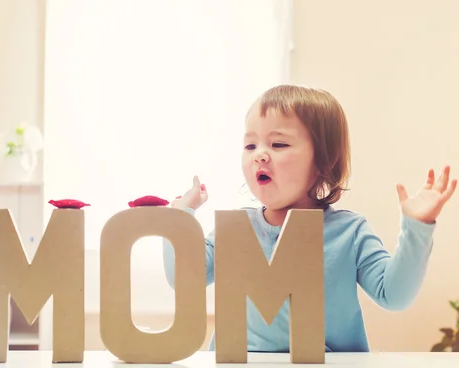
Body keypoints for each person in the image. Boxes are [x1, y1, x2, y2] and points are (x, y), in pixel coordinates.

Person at [163, 84, 457, 352]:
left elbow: (394, 296)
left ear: (323, 161)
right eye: (250, 145)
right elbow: (185, 278)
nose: (259, 155)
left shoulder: (348, 232)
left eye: (278, 145)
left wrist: (417, 227)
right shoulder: (237, 229)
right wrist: (180, 218)